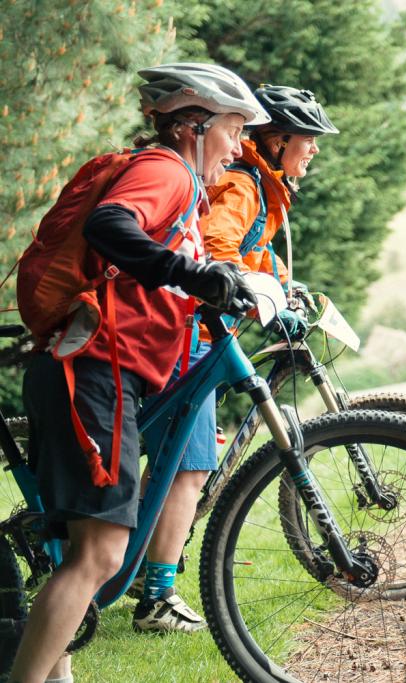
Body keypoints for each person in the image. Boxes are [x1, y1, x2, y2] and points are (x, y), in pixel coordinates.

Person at [12, 63, 266, 683]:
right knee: (100, 555)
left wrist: (212, 283)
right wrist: (190, 274)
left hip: (91, 368)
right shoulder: (166, 171)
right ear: (193, 125)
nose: (238, 147)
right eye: (234, 130)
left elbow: (152, 273)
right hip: (97, 373)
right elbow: (110, 227)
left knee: (81, 554)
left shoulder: (179, 182)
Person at [129, 84, 338, 634]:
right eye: (308, 139)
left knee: (177, 465)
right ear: (277, 139)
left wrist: (285, 288)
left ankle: (139, 573)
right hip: (188, 334)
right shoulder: (246, 185)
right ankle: (156, 597)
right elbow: (219, 249)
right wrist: (250, 288)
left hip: (185, 331)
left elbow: (251, 252)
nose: (313, 149)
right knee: (189, 468)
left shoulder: (260, 187)